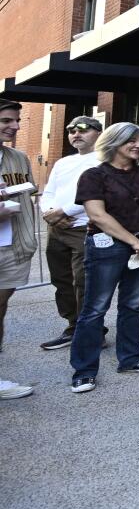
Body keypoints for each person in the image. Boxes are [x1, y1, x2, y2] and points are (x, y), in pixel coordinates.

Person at [69, 122, 139, 393]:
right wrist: (135, 241)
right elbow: (97, 215)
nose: (137, 145)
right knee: (95, 308)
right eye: (130, 141)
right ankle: (84, 370)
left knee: (132, 304)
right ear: (113, 143)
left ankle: (131, 358)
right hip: (108, 247)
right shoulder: (94, 175)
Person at [38, 116, 103, 350]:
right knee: (61, 279)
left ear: (98, 132)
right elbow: (48, 192)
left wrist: (63, 212)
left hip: (84, 229)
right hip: (57, 229)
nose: (76, 133)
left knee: (83, 282)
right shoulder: (62, 162)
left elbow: (97, 193)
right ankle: (73, 325)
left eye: (83, 129)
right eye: (71, 130)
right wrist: (49, 213)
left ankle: (92, 331)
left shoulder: (104, 160)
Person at [0, 100, 35, 399]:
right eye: (7, 121)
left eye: (17, 120)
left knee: (0, 309)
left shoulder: (18, 158)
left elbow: (25, 191)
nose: (15, 126)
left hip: (12, 248)